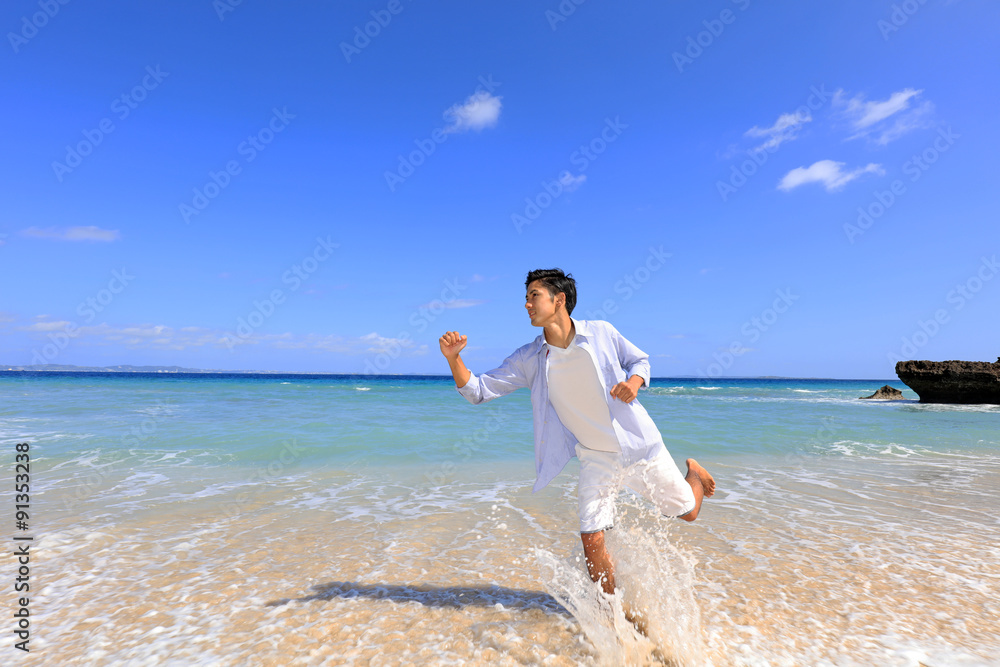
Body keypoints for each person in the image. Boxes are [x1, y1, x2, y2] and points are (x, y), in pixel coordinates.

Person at [439, 268, 715, 608]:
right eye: (526, 297)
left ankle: (694, 473)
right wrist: (454, 359)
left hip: (638, 446)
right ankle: (615, 615)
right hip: (595, 455)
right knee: (591, 539)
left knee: (688, 512)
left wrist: (634, 383)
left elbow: (639, 360)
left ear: (559, 300)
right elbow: (478, 391)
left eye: (534, 296)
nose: (527, 304)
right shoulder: (529, 358)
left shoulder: (601, 333)